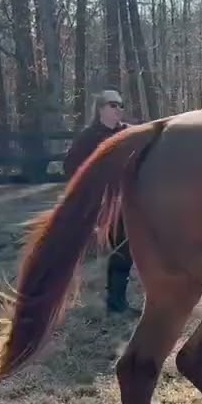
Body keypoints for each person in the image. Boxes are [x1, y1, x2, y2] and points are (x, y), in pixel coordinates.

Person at [62, 89, 138, 314]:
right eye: (113, 105)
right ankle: (115, 303)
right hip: (105, 202)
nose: (118, 110)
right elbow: (70, 167)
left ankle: (117, 300)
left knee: (128, 247)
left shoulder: (128, 133)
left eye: (121, 105)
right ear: (101, 108)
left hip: (129, 198)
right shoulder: (89, 137)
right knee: (121, 246)